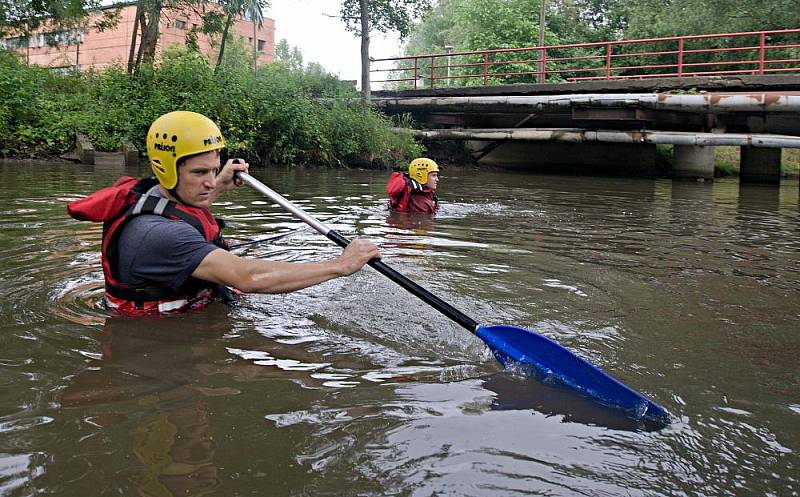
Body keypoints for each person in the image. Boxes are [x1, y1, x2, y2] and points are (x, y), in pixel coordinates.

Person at [68, 110, 381, 316]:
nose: (208, 182)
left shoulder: (153, 192)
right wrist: (339, 265)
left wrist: (219, 183)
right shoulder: (160, 236)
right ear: (166, 170)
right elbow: (247, 277)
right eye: (199, 172)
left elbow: (185, 208)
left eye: (214, 170)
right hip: (164, 333)